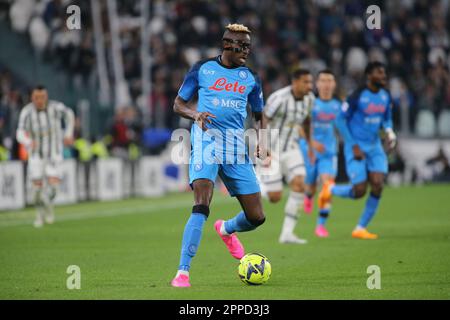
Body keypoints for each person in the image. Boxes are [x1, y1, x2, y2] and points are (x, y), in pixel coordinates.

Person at [170, 24, 268, 287]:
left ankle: (226, 229)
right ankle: (183, 272)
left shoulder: (251, 78)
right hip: (206, 141)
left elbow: (259, 114)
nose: (247, 50)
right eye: (242, 45)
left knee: (257, 217)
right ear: (227, 44)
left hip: (236, 147)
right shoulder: (202, 69)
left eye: (248, 45)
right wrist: (195, 114)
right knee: (202, 202)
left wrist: (264, 141)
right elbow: (178, 104)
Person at [319, 62, 397, 239]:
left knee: (378, 183)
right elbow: (340, 120)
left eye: (384, 73)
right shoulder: (357, 95)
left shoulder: (385, 96)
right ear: (369, 75)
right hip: (355, 145)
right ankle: (330, 188)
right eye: (379, 73)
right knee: (359, 191)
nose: (383, 76)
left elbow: (387, 119)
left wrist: (390, 132)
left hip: (375, 145)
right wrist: (353, 144)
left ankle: (360, 228)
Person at [256, 68, 315, 244]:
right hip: (272, 148)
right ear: (295, 82)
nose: (309, 86)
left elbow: (306, 120)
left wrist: (310, 144)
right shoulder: (279, 98)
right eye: (306, 82)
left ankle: (287, 234)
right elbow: (263, 117)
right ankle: (257, 180)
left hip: (291, 147)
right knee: (275, 198)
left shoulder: (310, 99)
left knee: (300, 184)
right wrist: (262, 143)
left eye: (310, 82)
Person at [16, 85, 75, 227]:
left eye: (42, 97)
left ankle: (47, 209)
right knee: (36, 191)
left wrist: (68, 133)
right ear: (32, 98)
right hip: (36, 156)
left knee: (54, 188)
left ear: (46, 96)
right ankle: (39, 214)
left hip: (54, 155)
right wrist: (28, 141)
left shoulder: (55, 108)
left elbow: (70, 114)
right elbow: (19, 132)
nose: (40, 100)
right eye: (37, 97)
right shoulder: (27, 112)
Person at [299, 69, 342, 238]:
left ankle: (321, 225)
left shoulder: (338, 106)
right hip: (309, 150)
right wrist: (312, 143)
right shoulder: (310, 103)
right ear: (317, 84)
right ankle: (308, 196)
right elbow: (299, 127)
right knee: (310, 185)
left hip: (329, 152)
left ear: (334, 84)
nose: (326, 84)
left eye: (329, 80)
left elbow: (344, 127)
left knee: (327, 186)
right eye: (322, 80)